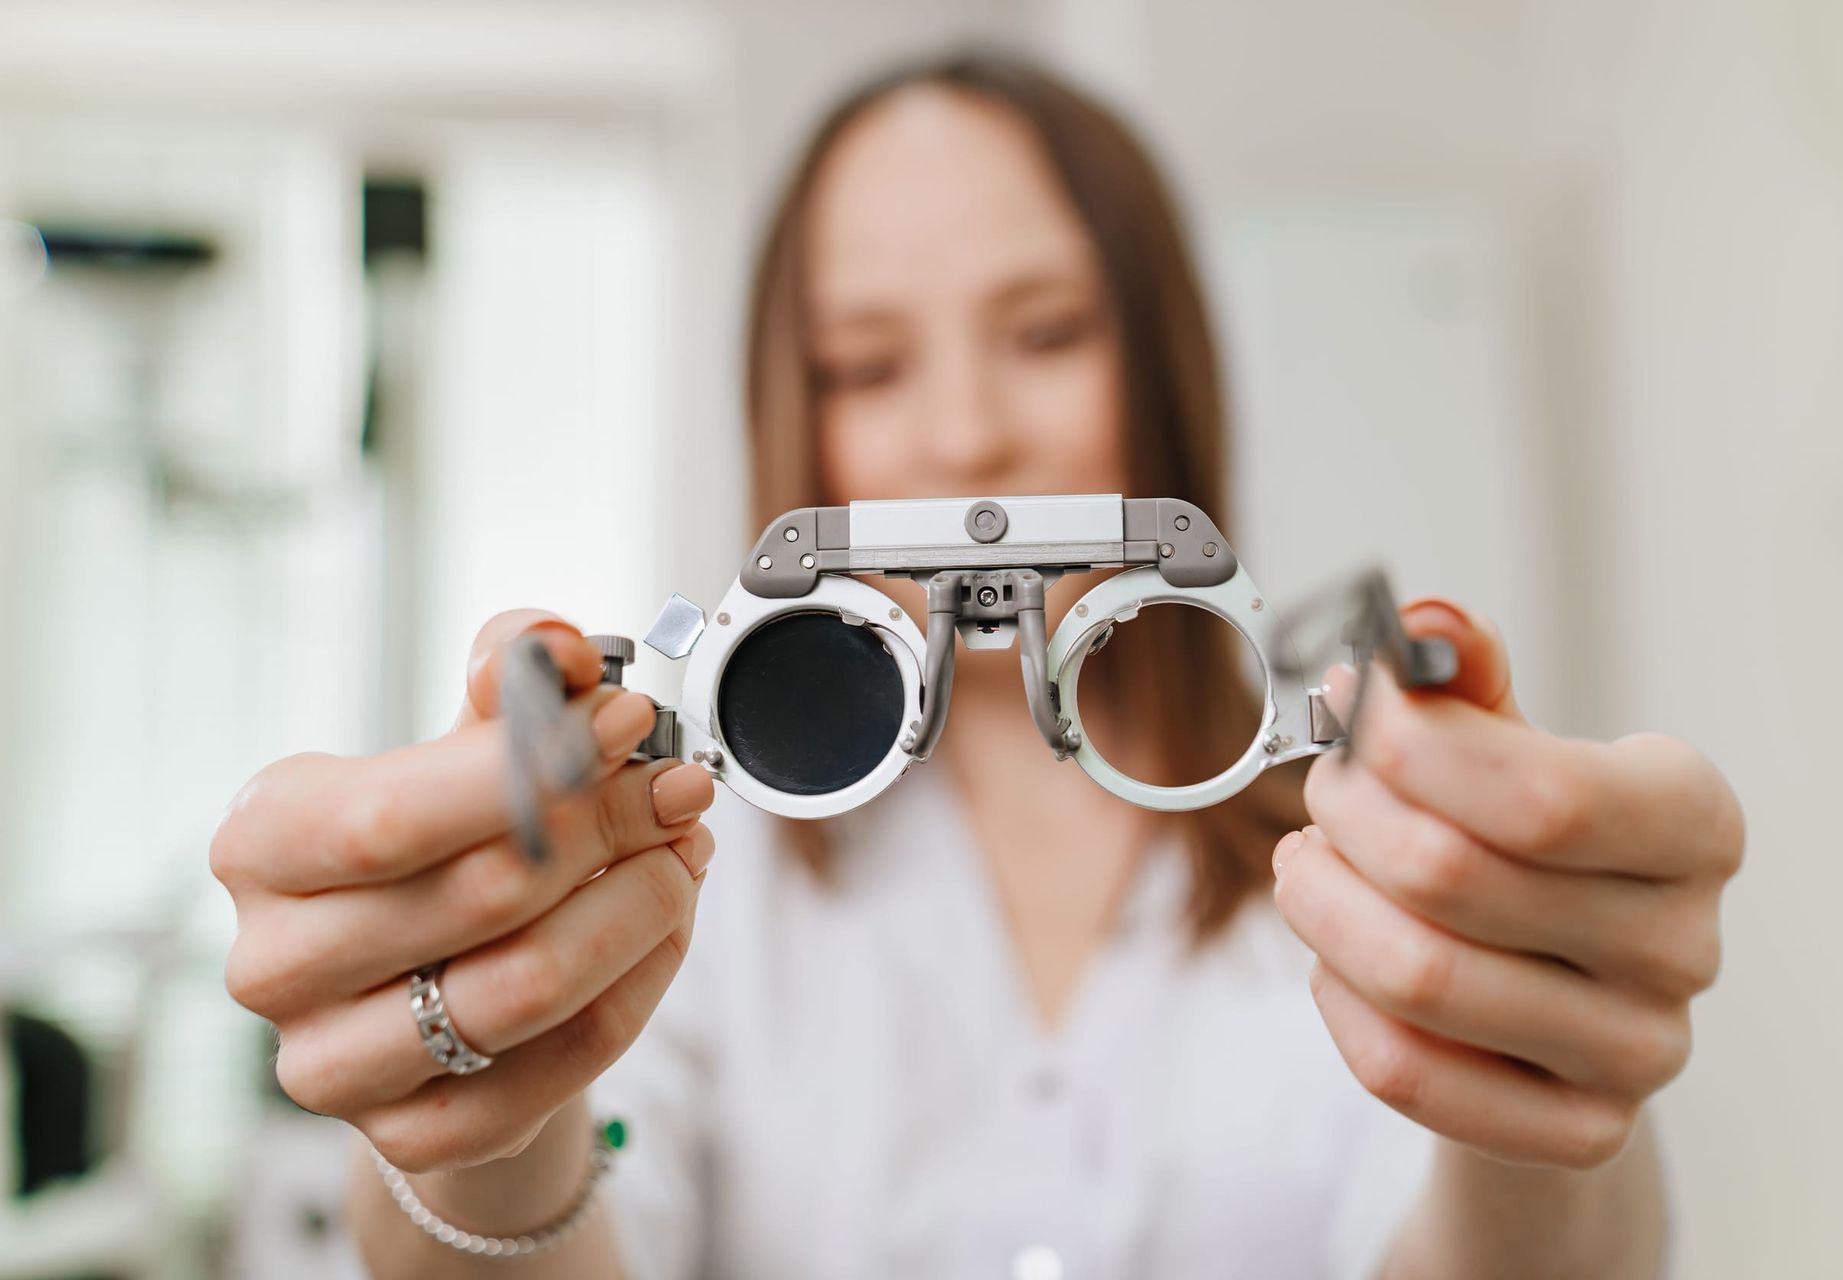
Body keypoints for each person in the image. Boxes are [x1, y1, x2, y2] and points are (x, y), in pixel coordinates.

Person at [211, 50, 1744, 1279]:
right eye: (869, 366)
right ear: (787, 415)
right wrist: (479, 1111)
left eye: (1049, 332)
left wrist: (1531, 1071)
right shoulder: (679, 846)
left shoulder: (1350, 831)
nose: (963, 438)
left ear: (1164, 362)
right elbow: (581, 1218)